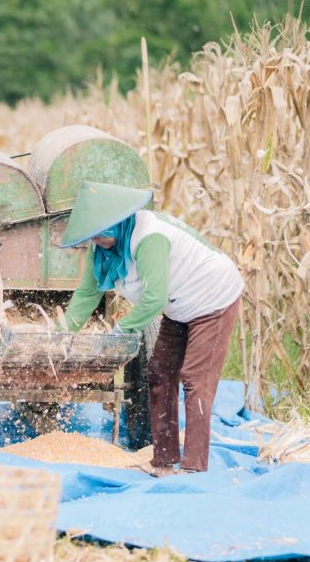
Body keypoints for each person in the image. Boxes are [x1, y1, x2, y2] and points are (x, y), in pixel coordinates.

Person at [59, 181, 244, 476]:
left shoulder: (148, 238)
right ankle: (163, 461)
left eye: (100, 234)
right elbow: (87, 294)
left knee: (196, 378)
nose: (96, 241)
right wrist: (62, 332)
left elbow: (154, 297)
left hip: (212, 296)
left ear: (116, 223)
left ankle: (194, 467)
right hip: (180, 303)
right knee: (159, 370)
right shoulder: (104, 250)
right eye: (91, 236)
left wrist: (122, 329)